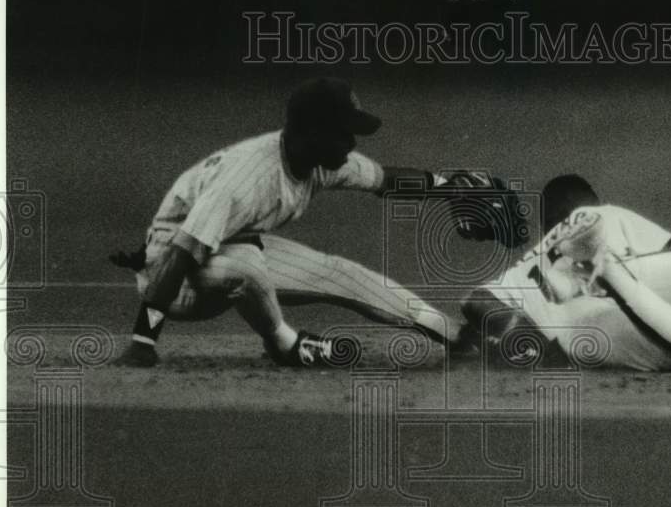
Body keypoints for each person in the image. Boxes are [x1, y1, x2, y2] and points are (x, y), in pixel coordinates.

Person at [111, 77, 504, 368]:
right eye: (344, 133)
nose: (351, 144)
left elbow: (385, 179)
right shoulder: (245, 181)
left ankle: (456, 336)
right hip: (172, 276)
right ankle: (284, 343)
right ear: (312, 132)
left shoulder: (318, 159)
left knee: (341, 273)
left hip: (231, 247)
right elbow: (179, 256)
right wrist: (143, 339)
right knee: (246, 265)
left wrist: (446, 186)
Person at [460, 174, 671, 371]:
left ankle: (599, 275)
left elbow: (474, 301)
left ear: (547, 226)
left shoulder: (532, 257)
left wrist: (519, 337)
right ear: (592, 203)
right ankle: (605, 272)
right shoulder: (607, 214)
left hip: (573, 333)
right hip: (602, 311)